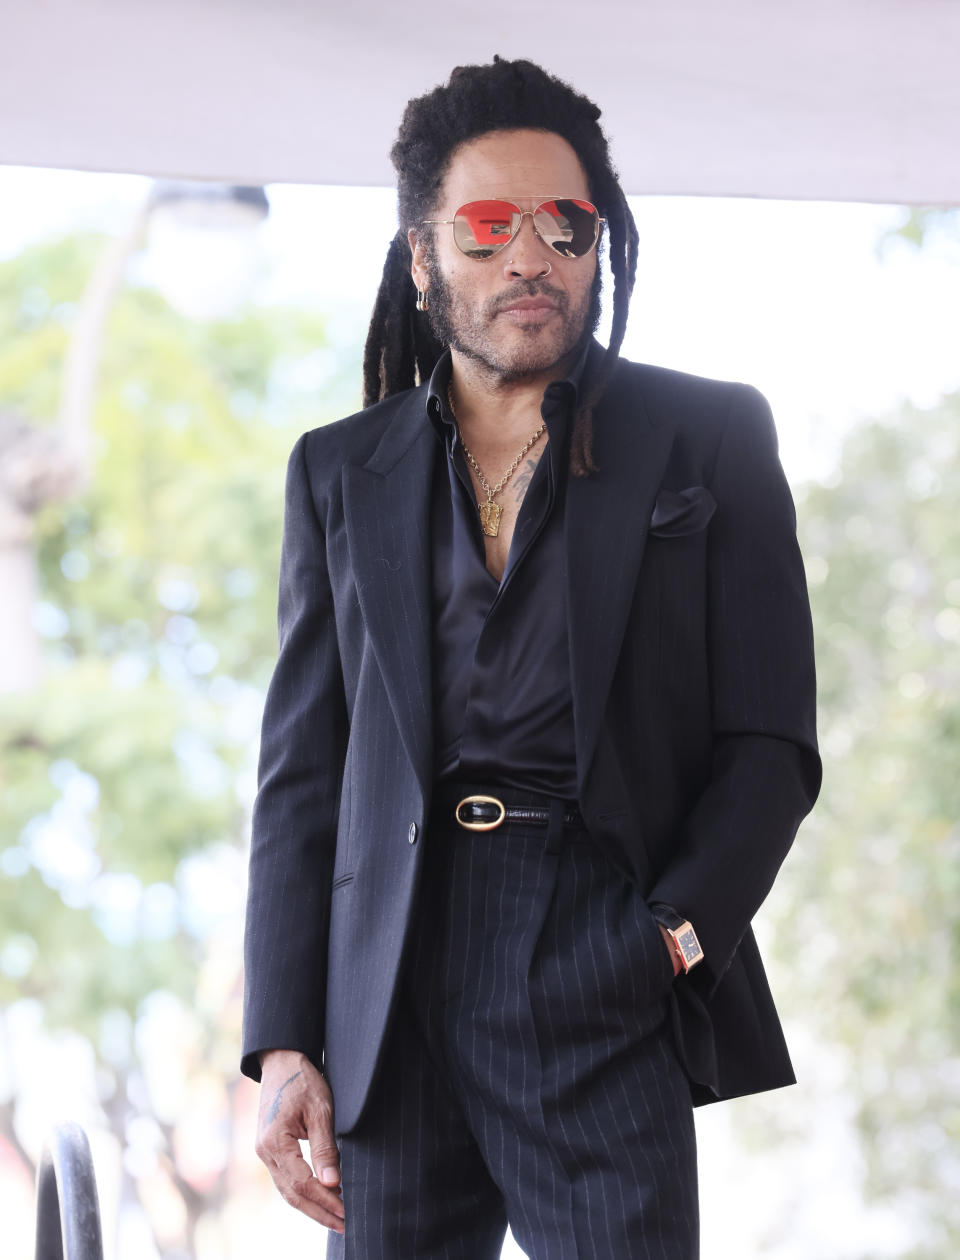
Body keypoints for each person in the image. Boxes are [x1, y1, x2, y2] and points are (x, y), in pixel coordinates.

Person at [241, 56, 821, 1259]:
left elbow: (770, 746)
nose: (530, 257)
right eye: (490, 225)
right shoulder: (338, 472)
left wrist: (667, 940)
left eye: (565, 225)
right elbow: (305, 770)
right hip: (389, 984)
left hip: (598, 949)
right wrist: (287, 1037)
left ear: (597, 242)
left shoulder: (709, 435)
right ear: (423, 257)